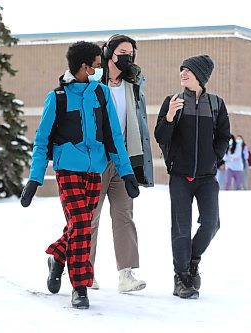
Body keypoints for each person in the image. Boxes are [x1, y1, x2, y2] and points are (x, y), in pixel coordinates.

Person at [20, 41, 139, 309]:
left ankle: (58, 256)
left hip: (95, 170)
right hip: (68, 170)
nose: (100, 68)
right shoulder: (58, 97)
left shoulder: (101, 94)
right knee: (84, 225)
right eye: (96, 65)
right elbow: (41, 141)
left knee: (78, 225)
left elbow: (113, 136)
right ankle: (80, 286)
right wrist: (35, 179)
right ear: (84, 67)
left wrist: (126, 172)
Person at [154, 55, 230, 299]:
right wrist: (168, 118)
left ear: (201, 75)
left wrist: (214, 158)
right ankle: (182, 277)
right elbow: (160, 136)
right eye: (182, 70)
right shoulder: (173, 101)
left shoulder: (217, 104)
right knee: (181, 229)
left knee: (211, 223)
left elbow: (223, 137)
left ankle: (193, 259)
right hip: (180, 175)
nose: (183, 73)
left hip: (207, 177)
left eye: (188, 70)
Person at [88, 34, 153, 293]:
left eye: (131, 53)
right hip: (96, 160)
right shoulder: (92, 81)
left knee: (124, 217)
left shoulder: (133, 84)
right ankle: (85, 270)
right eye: (123, 52)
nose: (128, 57)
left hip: (124, 160)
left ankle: (126, 274)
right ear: (109, 53)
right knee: (90, 218)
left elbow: (139, 122)